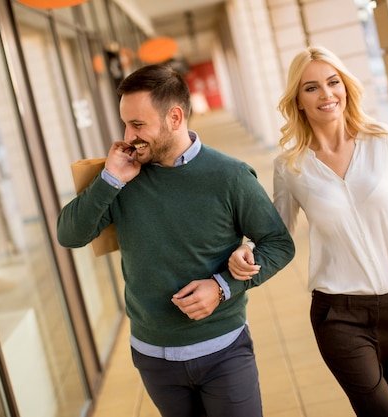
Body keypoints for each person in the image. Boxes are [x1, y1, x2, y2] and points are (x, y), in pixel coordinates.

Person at [228, 46, 388, 417]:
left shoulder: (381, 144)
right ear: (298, 101)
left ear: (346, 87)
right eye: (311, 87)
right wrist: (246, 249)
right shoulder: (291, 166)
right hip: (339, 316)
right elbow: (276, 232)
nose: (326, 94)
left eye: (333, 82)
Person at [57, 63, 295, 417]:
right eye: (125, 123)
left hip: (224, 349)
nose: (128, 134)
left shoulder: (230, 175)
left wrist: (221, 287)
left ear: (174, 117)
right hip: (154, 358)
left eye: (138, 124)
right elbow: (70, 235)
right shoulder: (121, 177)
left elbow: (278, 243)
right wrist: (109, 179)